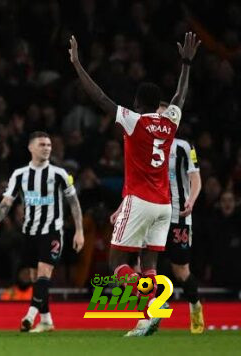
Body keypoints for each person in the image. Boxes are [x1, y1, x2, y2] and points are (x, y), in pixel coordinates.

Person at [69, 32, 200, 337]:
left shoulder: (134, 119)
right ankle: (148, 318)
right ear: (159, 104)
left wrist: (77, 65)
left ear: (139, 102)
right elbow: (180, 97)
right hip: (164, 205)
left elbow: (99, 97)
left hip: (139, 200)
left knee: (116, 260)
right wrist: (186, 64)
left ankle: (152, 307)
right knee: (149, 261)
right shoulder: (170, 122)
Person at [0, 131, 84, 333]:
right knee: (35, 277)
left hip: (52, 231)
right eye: (42, 144)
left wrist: (79, 231)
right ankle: (47, 320)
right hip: (29, 232)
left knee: (43, 273)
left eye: (49, 144)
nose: (47, 148)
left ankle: (30, 315)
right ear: (31, 148)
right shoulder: (20, 175)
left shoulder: (60, 174)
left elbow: (74, 203)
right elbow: (7, 201)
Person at [159, 102, 204, 334]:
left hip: (178, 214)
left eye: (164, 117)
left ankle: (195, 306)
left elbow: (195, 178)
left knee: (181, 271)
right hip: (152, 213)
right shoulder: (145, 146)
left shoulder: (184, 146)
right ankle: (155, 311)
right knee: (144, 264)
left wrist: (192, 200)